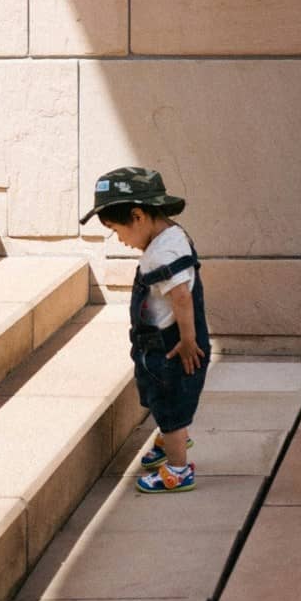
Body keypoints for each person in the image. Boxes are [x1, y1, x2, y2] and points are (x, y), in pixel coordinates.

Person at [82, 167, 209, 495]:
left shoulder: (161, 254)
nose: (120, 240)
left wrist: (187, 340)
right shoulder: (171, 235)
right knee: (162, 396)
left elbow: (181, 297)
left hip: (170, 345)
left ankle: (178, 468)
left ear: (137, 216)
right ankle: (171, 438)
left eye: (117, 230)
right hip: (162, 341)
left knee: (169, 402)